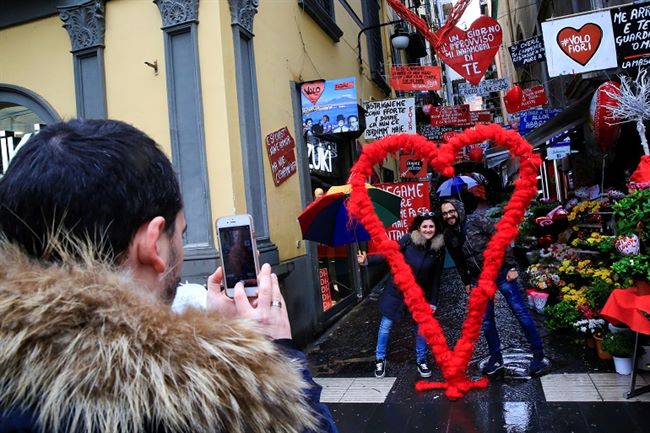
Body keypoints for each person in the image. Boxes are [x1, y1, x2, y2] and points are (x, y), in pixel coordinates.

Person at [0, 119, 337, 433]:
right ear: (154, 245)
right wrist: (275, 352)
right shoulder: (206, 401)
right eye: (181, 233)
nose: (181, 244)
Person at [440, 197, 550, 377]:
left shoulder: (477, 220)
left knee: (519, 312)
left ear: (458, 209)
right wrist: (466, 281)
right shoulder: (449, 235)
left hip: (500, 272)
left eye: (451, 211)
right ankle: (496, 358)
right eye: (445, 213)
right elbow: (458, 260)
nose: (448, 215)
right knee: (486, 321)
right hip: (479, 279)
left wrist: (512, 265)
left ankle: (538, 355)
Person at [357, 213, 445, 378]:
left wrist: (433, 302)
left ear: (436, 228)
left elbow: (436, 278)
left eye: (431, 226)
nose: (428, 229)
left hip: (420, 295)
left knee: (421, 329)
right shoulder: (407, 239)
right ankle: (380, 359)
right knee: (386, 326)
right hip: (396, 291)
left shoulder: (438, 248)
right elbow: (388, 255)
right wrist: (367, 260)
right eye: (425, 226)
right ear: (419, 227)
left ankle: (421, 360)